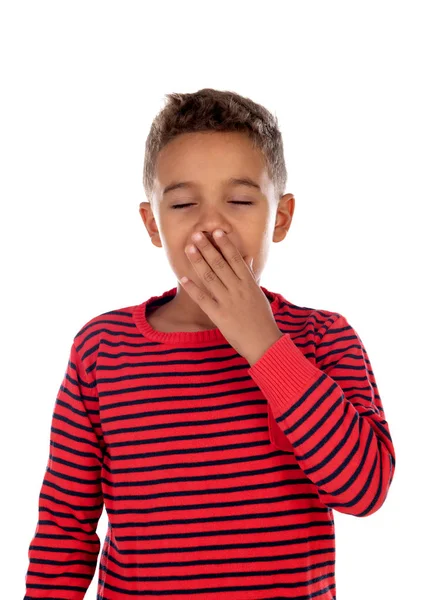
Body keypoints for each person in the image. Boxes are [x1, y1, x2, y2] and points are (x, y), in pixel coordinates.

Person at [23, 88, 396, 599]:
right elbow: (64, 532)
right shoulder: (101, 350)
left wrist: (266, 346)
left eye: (240, 201)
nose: (212, 225)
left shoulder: (322, 338)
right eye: (182, 203)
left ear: (280, 218)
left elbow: (364, 489)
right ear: (153, 223)